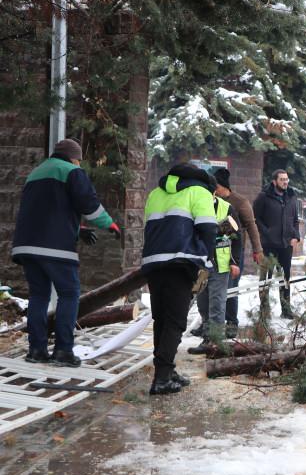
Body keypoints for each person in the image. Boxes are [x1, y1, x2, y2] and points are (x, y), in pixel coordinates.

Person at [12, 139, 120, 367]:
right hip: (55, 248)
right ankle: (63, 351)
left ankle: (37, 350)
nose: (79, 164)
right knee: (69, 294)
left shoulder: (36, 173)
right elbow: (89, 204)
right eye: (78, 160)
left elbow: (47, 210)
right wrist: (109, 224)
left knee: (39, 296)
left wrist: (78, 229)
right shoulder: (72, 171)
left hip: (26, 245)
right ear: (73, 157)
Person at [142, 163, 216, 395]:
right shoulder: (199, 192)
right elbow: (208, 229)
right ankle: (162, 378)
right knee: (175, 322)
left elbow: (149, 227)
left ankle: (167, 370)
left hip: (154, 263)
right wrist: (207, 259)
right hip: (181, 262)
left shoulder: (155, 193)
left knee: (162, 320)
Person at [212, 167, 263, 337]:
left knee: (231, 289)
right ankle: (209, 324)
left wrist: (257, 249)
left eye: (215, 186)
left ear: (221, 185)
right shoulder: (210, 201)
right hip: (213, 254)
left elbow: (251, 226)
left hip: (234, 253)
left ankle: (232, 323)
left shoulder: (240, 202)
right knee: (213, 291)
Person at [192, 178, 242, 351]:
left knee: (217, 303)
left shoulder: (226, 208)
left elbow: (237, 238)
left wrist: (234, 261)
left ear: (214, 192)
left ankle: (215, 342)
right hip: (200, 265)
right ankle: (207, 339)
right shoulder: (195, 207)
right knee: (202, 302)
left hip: (221, 264)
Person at [253, 169, 300, 319]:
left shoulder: (292, 197)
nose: (285, 182)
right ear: (274, 181)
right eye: (282, 180)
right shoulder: (264, 197)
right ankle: (264, 310)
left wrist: (296, 236)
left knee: (285, 279)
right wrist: (266, 232)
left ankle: (286, 309)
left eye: (286, 179)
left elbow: (295, 220)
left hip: (286, 245)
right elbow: (255, 218)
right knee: (265, 278)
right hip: (269, 245)